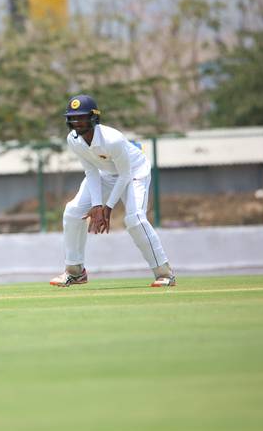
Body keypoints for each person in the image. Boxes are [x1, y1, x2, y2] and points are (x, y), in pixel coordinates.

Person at [50, 94, 176, 288]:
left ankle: (164, 273)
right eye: (73, 118)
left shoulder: (112, 139)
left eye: (82, 117)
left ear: (94, 117)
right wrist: (96, 205)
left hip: (134, 172)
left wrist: (107, 208)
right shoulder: (73, 140)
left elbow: (125, 175)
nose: (77, 122)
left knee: (135, 219)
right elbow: (91, 171)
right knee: (73, 212)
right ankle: (75, 272)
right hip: (106, 173)